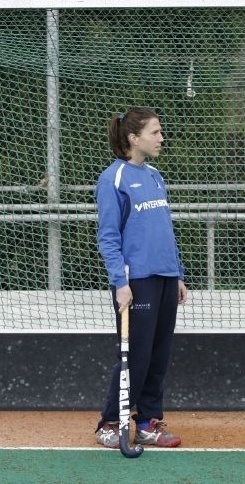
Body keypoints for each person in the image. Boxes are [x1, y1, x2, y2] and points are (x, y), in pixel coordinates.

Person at [94, 107, 188, 449]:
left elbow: (165, 231)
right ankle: (109, 422)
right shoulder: (113, 179)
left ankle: (148, 422)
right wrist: (120, 283)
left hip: (164, 278)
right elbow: (108, 236)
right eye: (155, 132)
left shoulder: (155, 176)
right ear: (134, 138)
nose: (161, 138)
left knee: (159, 355)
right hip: (136, 283)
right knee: (136, 356)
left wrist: (177, 274)